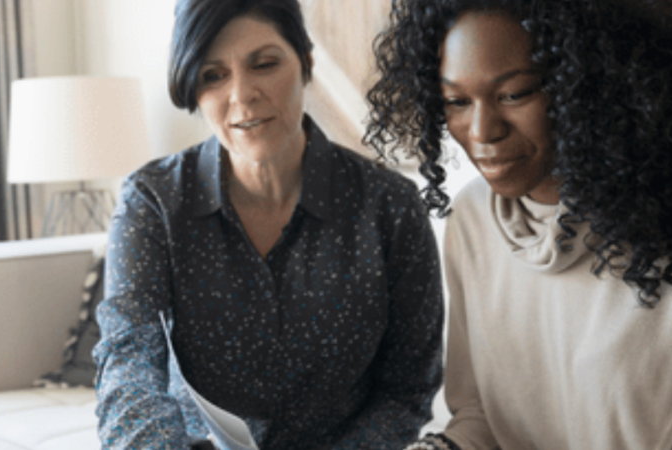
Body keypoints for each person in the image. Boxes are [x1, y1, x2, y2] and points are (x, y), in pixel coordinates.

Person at [364, 0, 672, 449]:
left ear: (594, 83)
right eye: (456, 101)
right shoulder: (473, 221)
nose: (482, 131)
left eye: (515, 94)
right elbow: (484, 416)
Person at [92, 0, 444, 449]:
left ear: (305, 64)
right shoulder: (153, 203)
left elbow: (407, 389)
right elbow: (128, 363)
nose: (242, 95)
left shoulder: (391, 207)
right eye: (213, 75)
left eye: (264, 64)